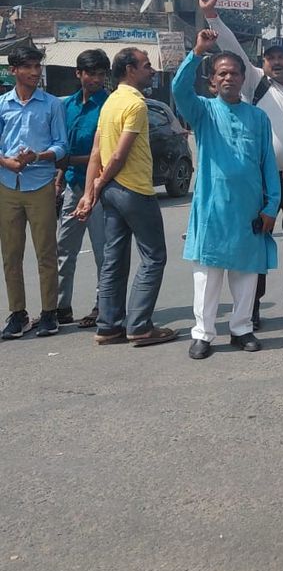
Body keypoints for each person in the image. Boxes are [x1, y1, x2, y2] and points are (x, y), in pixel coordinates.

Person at [200, 0, 283, 326]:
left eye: (282, 56)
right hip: (261, 183)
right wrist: (212, 15)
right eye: (270, 57)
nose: (276, 61)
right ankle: (252, 307)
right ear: (262, 62)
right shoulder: (254, 83)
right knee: (257, 243)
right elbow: (231, 48)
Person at [173, 32, 280, 359]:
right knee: (207, 276)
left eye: (234, 73)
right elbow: (179, 90)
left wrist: (271, 205)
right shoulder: (203, 111)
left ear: (243, 80)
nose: (228, 78)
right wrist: (197, 52)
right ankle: (203, 334)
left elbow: (268, 163)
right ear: (212, 82)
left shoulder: (258, 118)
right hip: (212, 210)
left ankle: (241, 329)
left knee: (246, 275)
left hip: (249, 210)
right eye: (222, 73)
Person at [74, 47, 175, 346]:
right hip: (134, 190)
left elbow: (96, 151)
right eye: (146, 65)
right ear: (130, 69)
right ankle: (139, 325)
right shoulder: (135, 104)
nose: (152, 71)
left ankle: (108, 326)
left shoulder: (110, 103)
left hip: (113, 193)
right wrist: (97, 185)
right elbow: (118, 155)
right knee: (154, 257)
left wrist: (92, 192)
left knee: (114, 259)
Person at [0, 45, 67, 340]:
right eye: (27, 66)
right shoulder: (2, 104)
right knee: (11, 255)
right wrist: (8, 163)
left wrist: (37, 156)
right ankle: (18, 314)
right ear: (13, 70)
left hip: (40, 184)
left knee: (46, 253)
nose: (34, 72)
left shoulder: (52, 105)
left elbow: (61, 145)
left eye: (37, 66)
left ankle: (49, 312)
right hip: (8, 185)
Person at [55, 49, 110, 329]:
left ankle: (103, 305)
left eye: (101, 74)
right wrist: (60, 174)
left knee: (103, 250)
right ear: (79, 74)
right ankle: (61, 307)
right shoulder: (67, 106)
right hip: (73, 184)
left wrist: (69, 161)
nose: (96, 79)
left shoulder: (109, 105)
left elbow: (105, 153)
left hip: (100, 188)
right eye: (91, 73)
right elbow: (62, 146)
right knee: (64, 249)